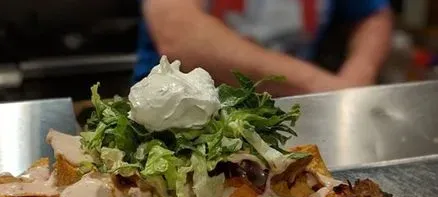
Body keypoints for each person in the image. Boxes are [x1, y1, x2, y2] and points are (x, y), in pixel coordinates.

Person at [134, 0, 393, 96]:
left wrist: (356, 80)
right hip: (173, 110)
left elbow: (372, 15)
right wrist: (327, 88)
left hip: (293, 109)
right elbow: (181, 36)